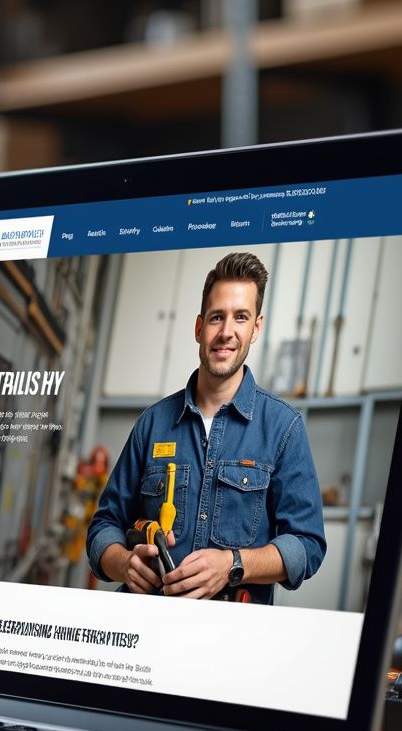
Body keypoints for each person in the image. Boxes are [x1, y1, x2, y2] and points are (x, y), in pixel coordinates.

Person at [86, 251, 325, 604]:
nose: (226, 332)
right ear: (199, 328)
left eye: (240, 317)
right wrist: (124, 563)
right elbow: (103, 527)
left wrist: (233, 564)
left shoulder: (283, 428)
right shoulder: (152, 424)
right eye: (216, 317)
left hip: (232, 633)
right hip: (149, 623)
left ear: (256, 328)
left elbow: (307, 545)